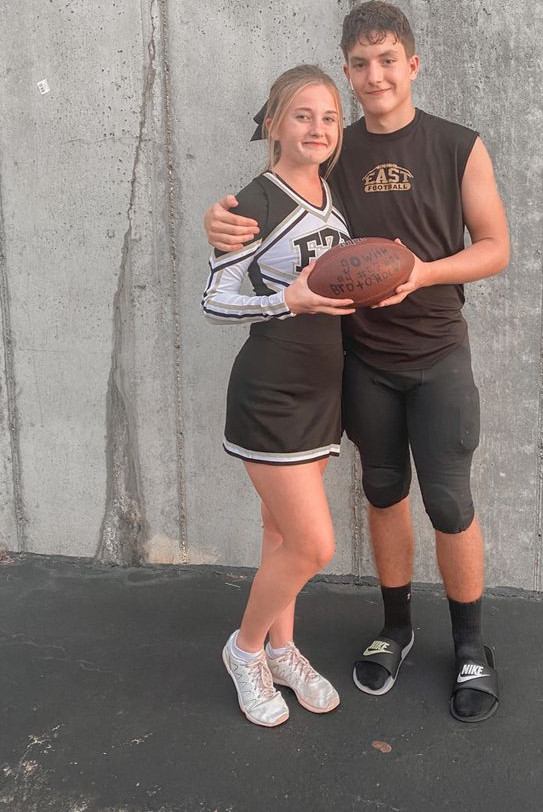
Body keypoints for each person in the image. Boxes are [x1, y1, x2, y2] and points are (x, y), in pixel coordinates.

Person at [204, 3, 510, 723]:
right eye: (361, 64)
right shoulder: (336, 153)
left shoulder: (458, 144)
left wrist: (421, 274)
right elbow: (274, 195)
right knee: (380, 492)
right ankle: (395, 629)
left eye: (388, 60)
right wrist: (216, 222)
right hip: (360, 362)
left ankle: (470, 645)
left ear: (412, 63)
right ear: (348, 71)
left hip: (436, 352)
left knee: (449, 500)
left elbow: (496, 246)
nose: (375, 75)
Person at [202, 65, 356, 727]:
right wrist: (282, 299)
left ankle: (285, 648)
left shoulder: (331, 190)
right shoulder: (253, 201)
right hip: (270, 395)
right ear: (273, 125)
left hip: (323, 390)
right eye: (302, 115)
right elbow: (215, 299)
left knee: (281, 535)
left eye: (328, 117)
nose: (317, 127)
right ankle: (244, 649)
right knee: (314, 545)